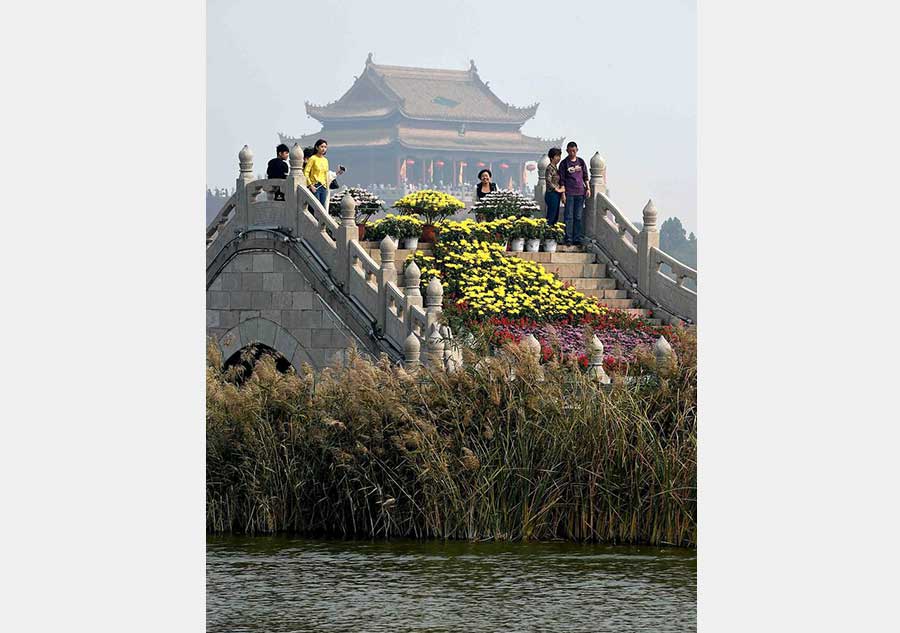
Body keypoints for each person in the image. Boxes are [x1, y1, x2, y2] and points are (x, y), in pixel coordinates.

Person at [559, 141, 591, 245]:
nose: (572, 153)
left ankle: (577, 238)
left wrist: (588, 188)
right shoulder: (564, 163)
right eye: (570, 151)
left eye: (574, 150)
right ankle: (568, 237)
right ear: (567, 151)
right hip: (569, 193)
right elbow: (562, 180)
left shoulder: (581, 162)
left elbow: (585, 176)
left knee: (578, 216)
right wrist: (563, 194)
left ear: (577, 150)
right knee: (568, 216)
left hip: (580, 193)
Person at [303, 139, 332, 208]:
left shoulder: (325, 160)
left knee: (322, 207)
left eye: (325, 147)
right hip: (315, 185)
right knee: (316, 207)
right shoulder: (313, 158)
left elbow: (326, 174)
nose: (323, 149)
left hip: (324, 186)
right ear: (317, 147)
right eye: (322, 146)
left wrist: (327, 187)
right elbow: (306, 172)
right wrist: (310, 185)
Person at [544, 147, 565, 226]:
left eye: (559, 156)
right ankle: (548, 233)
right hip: (551, 194)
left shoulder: (556, 168)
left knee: (555, 216)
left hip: (556, 195)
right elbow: (548, 181)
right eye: (557, 156)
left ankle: (553, 233)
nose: (559, 158)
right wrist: (557, 189)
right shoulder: (549, 168)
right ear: (552, 157)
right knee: (551, 216)